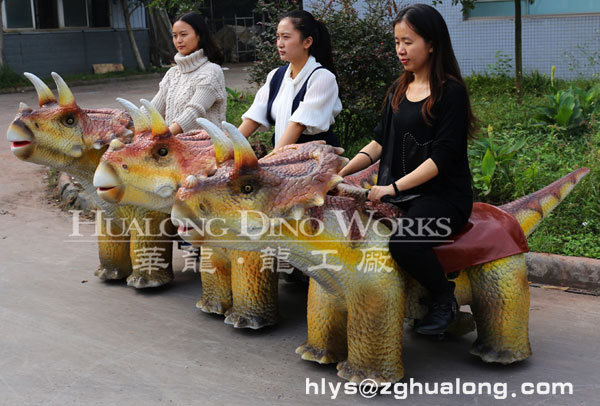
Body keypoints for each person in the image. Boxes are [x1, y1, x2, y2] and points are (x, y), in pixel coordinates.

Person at [338, 4, 476, 335]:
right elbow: (378, 145)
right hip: (404, 194)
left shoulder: (451, 93)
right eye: (397, 42)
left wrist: (393, 188)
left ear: (432, 43)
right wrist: (341, 173)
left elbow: (442, 159)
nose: (400, 50)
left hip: (443, 198)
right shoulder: (399, 89)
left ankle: (445, 299)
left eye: (408, 41)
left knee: (404, 242)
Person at [239, 10, 342, 149]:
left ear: (307, 42)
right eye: (278, 37)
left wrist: (271, 161)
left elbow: (297, 125)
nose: (280, 44)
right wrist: (225, 146)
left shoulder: (322, 78)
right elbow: (254, 117)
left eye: (286, 37)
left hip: (314, 160)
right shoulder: (276, 76)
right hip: (283, 157)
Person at [151, 12, 226, 135]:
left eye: (183, 35)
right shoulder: (172, 73)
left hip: (207, 148)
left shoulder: (212, 72)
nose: (178, 40)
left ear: (199, 36)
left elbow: (194, 112)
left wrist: (163, 137)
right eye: (175, 36)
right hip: (174, 146)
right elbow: (152, 110)